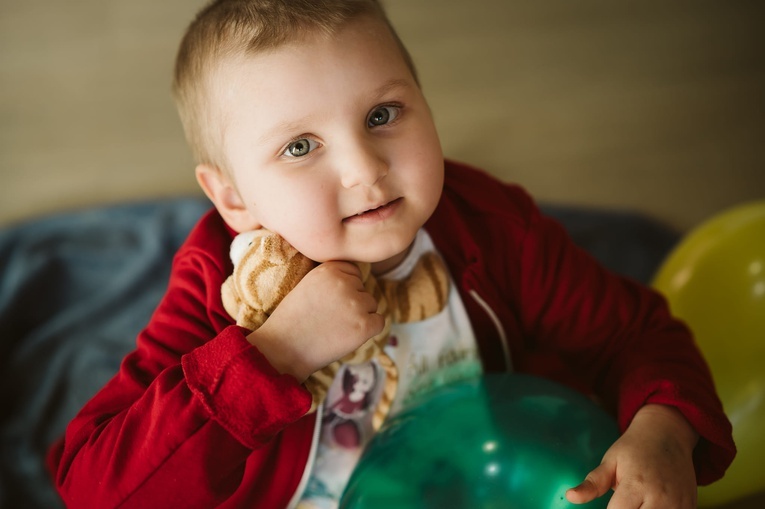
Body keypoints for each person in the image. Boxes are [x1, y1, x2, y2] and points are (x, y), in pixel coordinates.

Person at [47, 0, 736, 507]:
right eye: (299, 146)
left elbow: (635, 332)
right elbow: (92, 487)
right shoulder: (216, 286)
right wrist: (274, 353)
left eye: (382, 115)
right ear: (233, 199)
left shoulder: (489, 226)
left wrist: (664, 428)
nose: (364, 169)